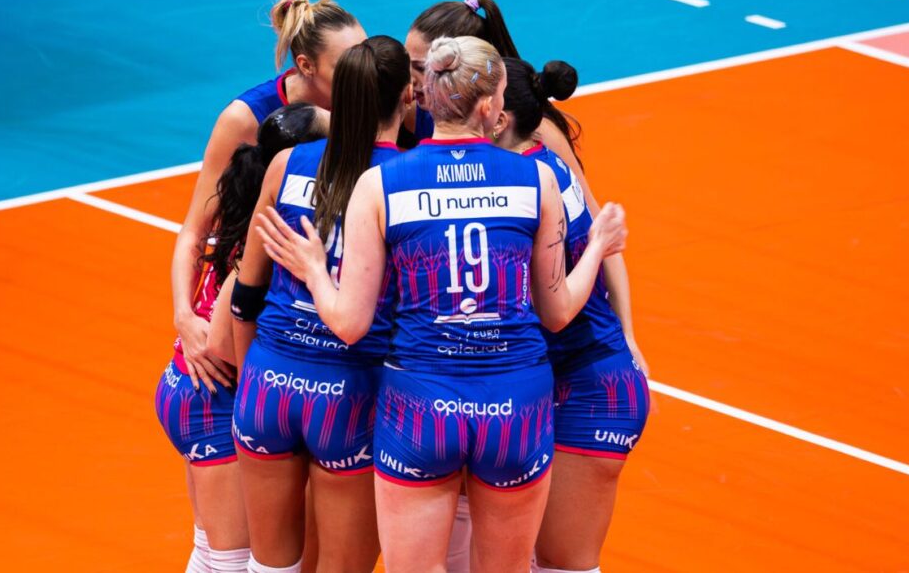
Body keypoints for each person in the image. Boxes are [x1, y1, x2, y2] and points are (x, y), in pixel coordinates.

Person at [255, 36, 628, 573]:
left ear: (425, 95)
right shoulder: (537, 178)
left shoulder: (380, 183)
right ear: (490, 106)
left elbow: (350, 324)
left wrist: (314, 268)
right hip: (514, 402)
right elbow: (558, 312)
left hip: (420, 402)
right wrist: (597, 247)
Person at [229, 35, 414, 573]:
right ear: (408, 95)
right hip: (352, 391)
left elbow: (245, 294)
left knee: (268, 566)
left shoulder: (286, 164)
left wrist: (250, 379)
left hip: (269, 381)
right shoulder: (404, 181)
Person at [402, 0, 648, 378]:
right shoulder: (418, 110)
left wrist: (628, 336)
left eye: (421, 67)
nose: (411, 79)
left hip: (559, 339)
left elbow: (598, 228)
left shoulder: (536, 137)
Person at [492, 58, 650, 573]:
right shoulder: (539, 162)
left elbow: (555, 309)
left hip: (591, 389)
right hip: (561, 378)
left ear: (497, 117)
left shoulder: (529, 184)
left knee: (562, 565)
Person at [154, 104, 326, 573]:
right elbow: (222, 342)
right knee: (231, 563)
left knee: (209, 553)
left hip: (186, 388)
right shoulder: (267, 235)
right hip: (214, 395)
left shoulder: (248, 203)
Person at [171, 0, 364, 395]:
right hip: (250, 301)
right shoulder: (244, 119)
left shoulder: (365, 103)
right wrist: (184, 318)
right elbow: (195, 229)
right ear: (306, 65)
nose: (362, 74)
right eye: (346, 66)